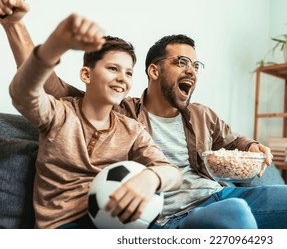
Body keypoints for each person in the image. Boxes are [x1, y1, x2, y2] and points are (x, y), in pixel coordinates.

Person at [1, 0, 287, 229]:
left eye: (196, 65)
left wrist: (253, 148)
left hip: (223, 191)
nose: (192, 72)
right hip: (178, 214)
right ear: (152, 70)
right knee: (236, 217)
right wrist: (15, 26)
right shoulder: (123, 114)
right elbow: (49, 89)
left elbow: (236, 142)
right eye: (181, 62)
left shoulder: (201, 115)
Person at [8, 12, 182, 229]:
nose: (122, 78)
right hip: (64, 226)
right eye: (113, 68)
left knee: (227, 214)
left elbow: (173, 173)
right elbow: (23, 93)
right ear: (86, 75)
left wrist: (151, 177)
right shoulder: (59, 114)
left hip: (117, 223)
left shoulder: (132, 130)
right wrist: (55, 45)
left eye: (129, 73)